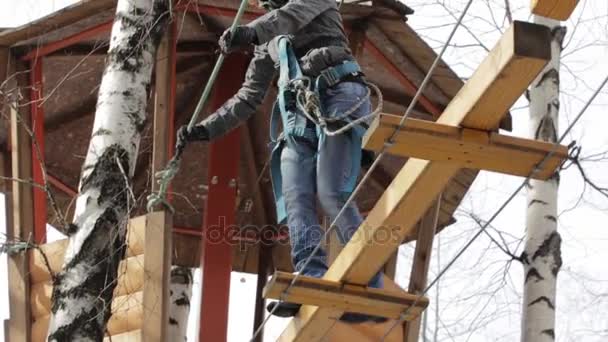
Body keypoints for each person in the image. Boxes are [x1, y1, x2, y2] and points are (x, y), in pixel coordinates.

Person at [177, 0, 386, 323]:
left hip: (337, 92)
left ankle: (370, 281)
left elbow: (288, 17)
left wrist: (249, 32)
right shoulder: (267, 46)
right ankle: (310, 275)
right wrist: (205, 130)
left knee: (331, 191)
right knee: (294, 197)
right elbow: (248, 97)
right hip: (297, 112)